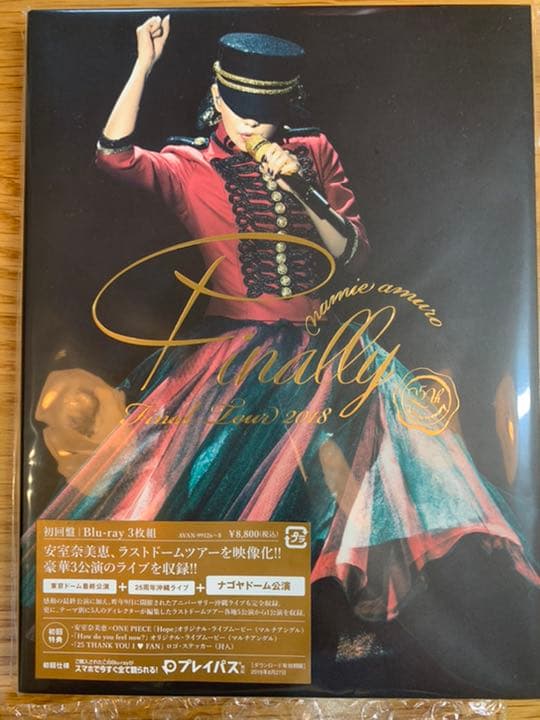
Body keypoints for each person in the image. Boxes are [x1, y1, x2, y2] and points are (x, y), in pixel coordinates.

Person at [23, 16, 540, 694]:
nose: (250, 123)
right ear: (217, 93)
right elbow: (114, 156)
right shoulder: (189, 164)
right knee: (207, 487)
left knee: (359, 481)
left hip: (326, 347)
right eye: (239, 107)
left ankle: (359, 637)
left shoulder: (313, 150)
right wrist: (143, 66)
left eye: (265, 113)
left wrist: (303, 189)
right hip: (238, 355)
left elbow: (351, 253)